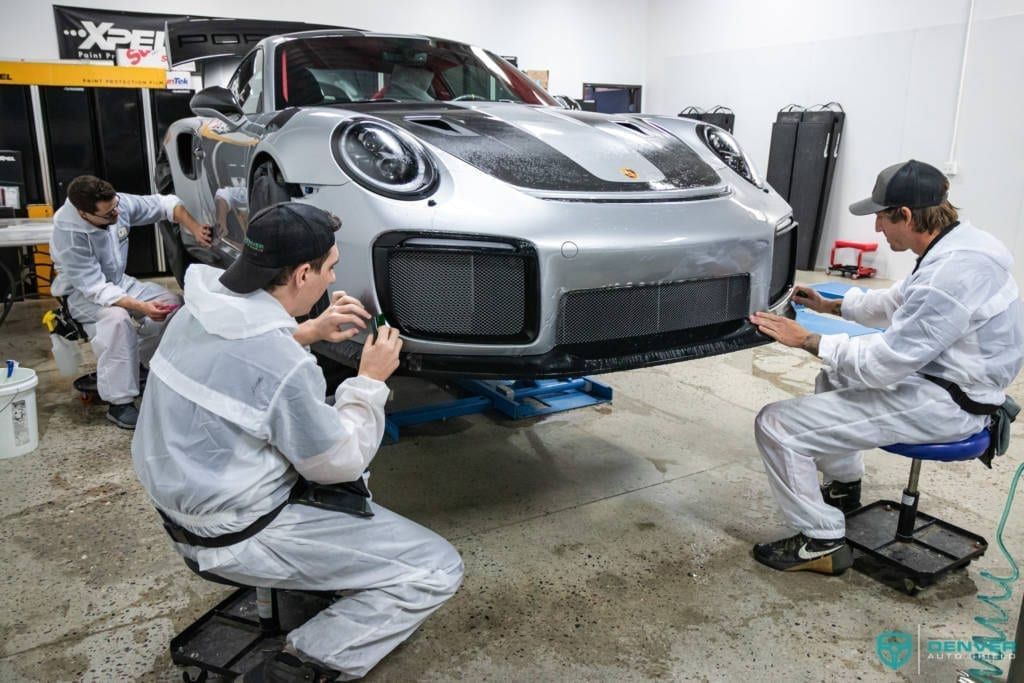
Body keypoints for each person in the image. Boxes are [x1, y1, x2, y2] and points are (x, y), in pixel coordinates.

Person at [131, 202, 463, 681]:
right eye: (329, 269)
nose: (332, 281)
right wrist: (369, 381)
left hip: (181, 512)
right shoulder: (282, 366)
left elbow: (239, 361)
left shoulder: (197, 312)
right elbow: (339, 463)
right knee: (435, 568)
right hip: (238, 534)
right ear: (302, 273)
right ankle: (301, 664)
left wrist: (304, 331)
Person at [748, 160, 1024, 575]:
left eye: (881, 217)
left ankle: (820, 540)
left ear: (906, 215)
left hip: (948, 403)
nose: (877, 228)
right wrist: (830, 305)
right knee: (836, 374)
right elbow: (898, 303)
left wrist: (806, 338)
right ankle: (843, 485)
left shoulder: (949, 276)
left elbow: (883, 364)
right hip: (947, 378)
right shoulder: (959, 246)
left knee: (775, 425)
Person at [50, 175, 212, 429]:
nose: (116, 214)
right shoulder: (69, 235)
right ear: (84, 214)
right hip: (84, 294)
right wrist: (142, 308)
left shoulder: (116, 205)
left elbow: (166, 205)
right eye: (108, 214)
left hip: (118, 282)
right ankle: (120, 403)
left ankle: (147, 364)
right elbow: (96, 289)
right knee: (116, 320)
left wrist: (195, 229)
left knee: (172, 304)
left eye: (116, 206)